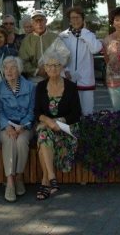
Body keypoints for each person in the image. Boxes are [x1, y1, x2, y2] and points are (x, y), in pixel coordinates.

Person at [34, 52, 81, 201]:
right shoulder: (41, 86)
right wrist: (48, 121)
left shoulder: (71, 87)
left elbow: (76, 113)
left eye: (56, 65)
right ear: (45, 68)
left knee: (42, 137)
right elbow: (37, 111)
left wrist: (58, 120)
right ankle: (51, 177)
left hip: (67, 129)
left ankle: (46, 181)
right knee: (44, 135)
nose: (53, 68)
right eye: (49, 65)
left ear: (61, 67)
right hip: (48, 127)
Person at [0, 56, 35, 202]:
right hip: (5, 126)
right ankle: (10, 182)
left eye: (12, 68)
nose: (9, 71)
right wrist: (7, 126)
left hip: (24, 126)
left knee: (21, 141)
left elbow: (32, 111)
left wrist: (23, 125)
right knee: (9, 141)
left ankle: (19, 176)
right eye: (6, 68)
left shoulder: (31, 87)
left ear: (19, 70)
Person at [59, 7, 102, 115]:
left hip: (86, 79)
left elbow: (96, 49)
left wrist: (84, 32)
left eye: (78, 17)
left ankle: (86, 131)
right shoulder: (63, 36)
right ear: (69, 20)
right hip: (68, 79)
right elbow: (59, 56)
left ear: (83, 20)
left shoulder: (88, 35)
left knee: (87, 112)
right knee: (69, 112)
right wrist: (66, 70)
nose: (75, 20)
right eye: (72, 18)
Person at [19, 10, 70, 83]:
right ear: (32, 23)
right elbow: (22, 62)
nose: (39, 23)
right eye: (36, 20)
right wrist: (37, 71)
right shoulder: (26, 41)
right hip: (34, 81)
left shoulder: (55, 37)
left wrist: (50, 67)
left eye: (41, 20)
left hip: (54, 79)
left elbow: (65, 55)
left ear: (46, 21)